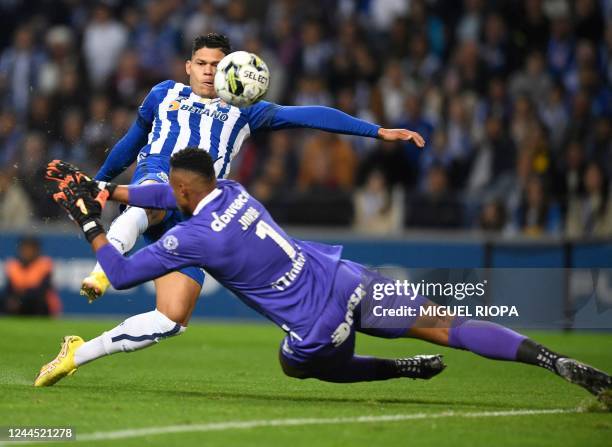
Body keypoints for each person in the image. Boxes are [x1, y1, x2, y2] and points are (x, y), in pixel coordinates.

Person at [34, 151, 611, 401]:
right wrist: (110, 189)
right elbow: (168, 191)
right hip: (343, 276)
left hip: (316, 324)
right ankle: (551, 360)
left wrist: (89, 219)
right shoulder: (230, 189)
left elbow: (123, 272)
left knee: (294, 364)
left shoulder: (190, 237)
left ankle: (393, 371)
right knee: (446, 323)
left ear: (186, 193)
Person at [80, 33, 425, 351]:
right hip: (156, 180)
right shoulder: (164, 93)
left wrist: (377, 131)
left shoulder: (246, 111)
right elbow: (130, 143)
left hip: (195, 217)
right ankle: (102, 272)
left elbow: (311, 115)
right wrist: (98, 182)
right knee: (152, 195)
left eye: (215, 65)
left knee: (172, 318)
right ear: (188, 66)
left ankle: (79, 352)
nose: (206, 71)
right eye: (200, 63)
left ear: (227, 69)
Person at [1, 237, 61, 316]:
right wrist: (12, 299)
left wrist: (21, 298)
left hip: (38, 302)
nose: (27, 252)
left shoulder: (44, 264)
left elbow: (42, 290)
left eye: (30, 249)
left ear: (37, 250)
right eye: (24, 249)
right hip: (18, 300)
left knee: (36, 301)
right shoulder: (13, 265)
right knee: (6, 300)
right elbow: (9, 288)